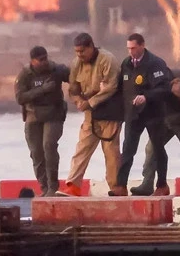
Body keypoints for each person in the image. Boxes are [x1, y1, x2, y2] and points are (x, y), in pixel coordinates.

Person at [59, 33, 125, 197]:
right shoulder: (76, 63)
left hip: (110, 112)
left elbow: (111, 87)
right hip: (90, 115)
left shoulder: (107, 60)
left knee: (111, 152)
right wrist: (78, 100)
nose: (79, 55)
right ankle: (73, 185)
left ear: (91, 47)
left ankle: (116, 187)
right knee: (82, 148)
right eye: (76, 51)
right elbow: (73, 89)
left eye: (82, 51)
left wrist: (90, 101)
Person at [129, 68, 180, 196]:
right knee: (151, 149)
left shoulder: (178, 76)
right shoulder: (143, 85)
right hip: (164, 120)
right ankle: (147, 184)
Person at [115, 33, 173, 195]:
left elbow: (164, 88)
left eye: (133, 48)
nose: (131, 52)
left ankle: (162, 185)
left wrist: (146, 96)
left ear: (142, 45)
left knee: (157, 148)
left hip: (153, 113)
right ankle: (120, 185)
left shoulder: (155, 63)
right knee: (128, 149)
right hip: (133, 114)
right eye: (128, 48)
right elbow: (121, 88)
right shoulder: (126, 64)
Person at [14, 46, 71, 196]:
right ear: (32, 61)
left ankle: (53, 186)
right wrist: (43, 90)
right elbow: (20, 98)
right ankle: (44, 187)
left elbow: (75, 77)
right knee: (36, 152)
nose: (44, 62)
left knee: (49, 146)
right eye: (40, 60)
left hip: (54, 114)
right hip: (33, 116)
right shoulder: (25, 75)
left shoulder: (56, 70)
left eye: (45, 58)